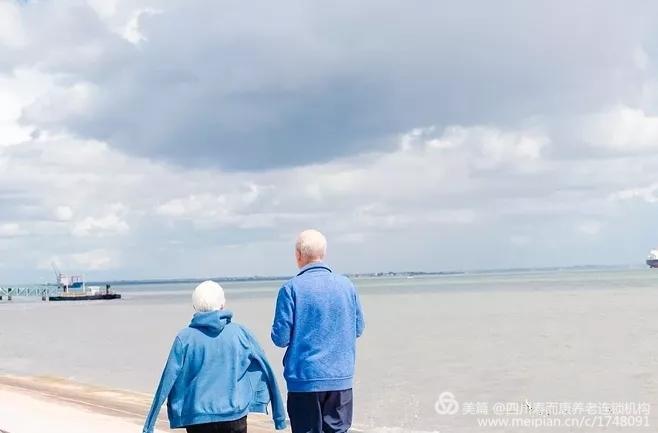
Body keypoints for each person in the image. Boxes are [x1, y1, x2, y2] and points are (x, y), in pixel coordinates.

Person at [143, 280, 287, 433]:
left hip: (198, 420)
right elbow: (267, 370)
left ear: (194, 307)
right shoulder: (241, 334)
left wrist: (149, 426)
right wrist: (279, 416)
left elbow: (167, 380)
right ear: (222, 305)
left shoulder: (185, 338)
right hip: (234, 417)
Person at [271, 229, 365, 433]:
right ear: (324, 253)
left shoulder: (290, 288)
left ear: (298, 255)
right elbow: (358, 328)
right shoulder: (347, 286)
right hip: (340, 378)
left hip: (304, 380)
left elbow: (280, 338)